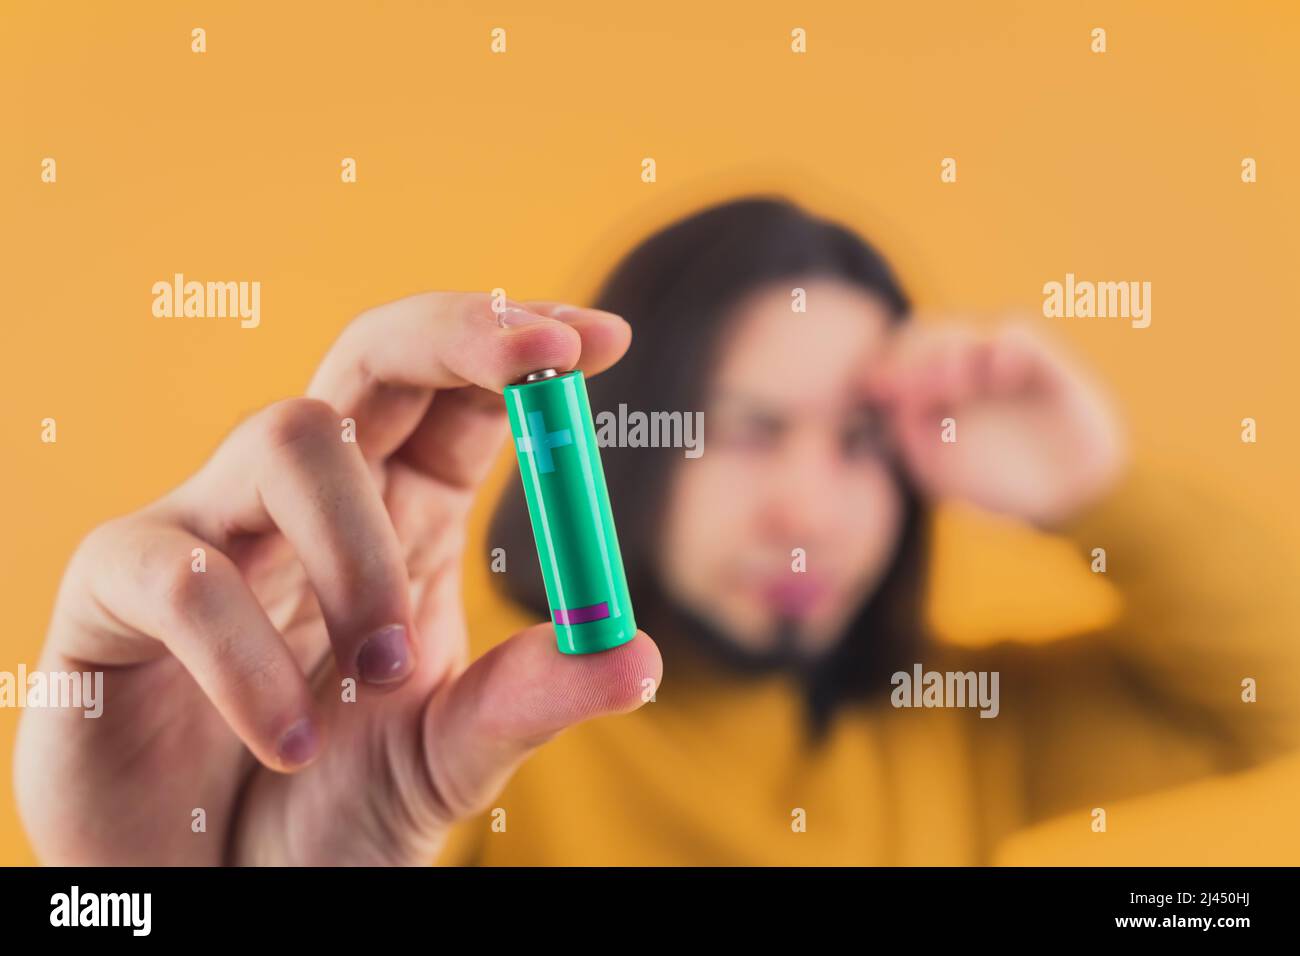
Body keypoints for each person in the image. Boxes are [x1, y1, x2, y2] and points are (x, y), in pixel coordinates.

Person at [16, 197, 1297, 866]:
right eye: (746, 427)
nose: (809, 506)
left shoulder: (954, 734)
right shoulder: (467, 751)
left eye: (857, 439)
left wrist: (1091, 484)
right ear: (629, 437)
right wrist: (137, 892)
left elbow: (1272, 693)